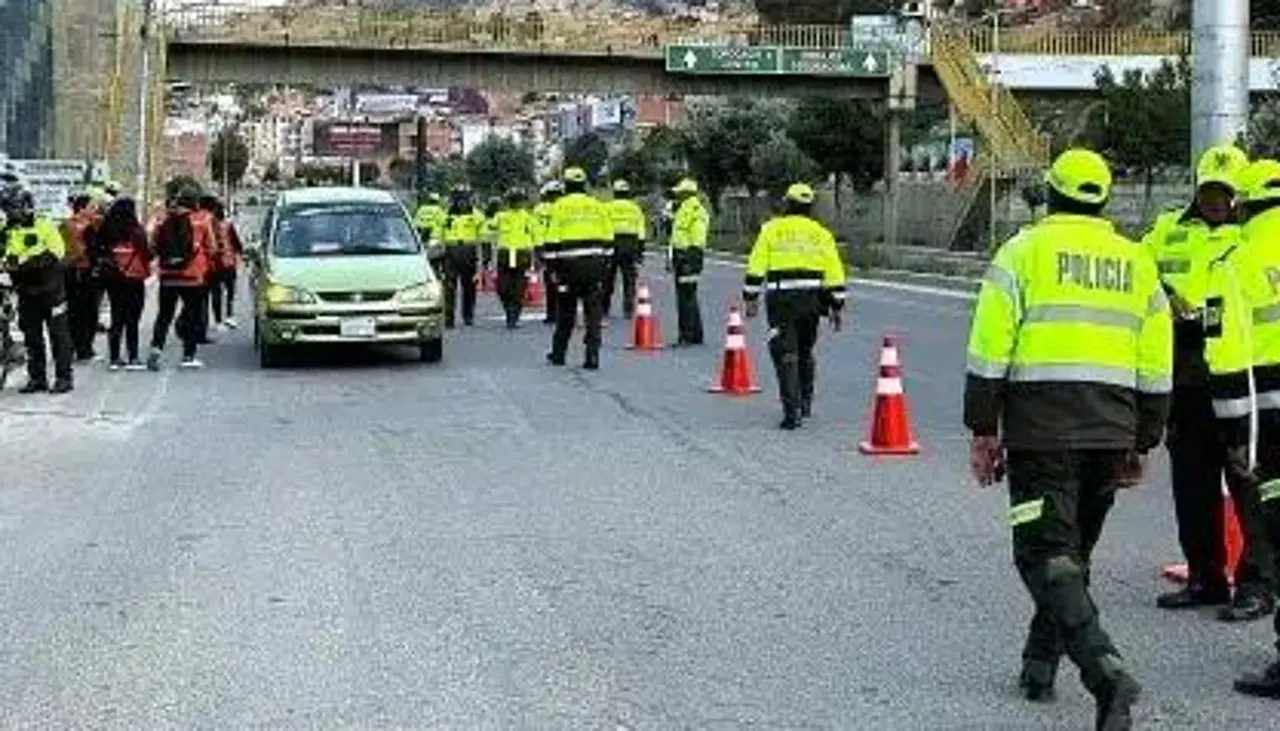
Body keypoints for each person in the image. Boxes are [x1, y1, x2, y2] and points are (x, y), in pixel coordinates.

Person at [964, 148, 1172, 728]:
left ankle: (1106, 672)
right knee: (1071, 553)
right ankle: (1039, 664)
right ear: (1103, 200)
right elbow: (1157, 363)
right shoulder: (1136, 262)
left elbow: (989, 348)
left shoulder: (1022, 252)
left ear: (1049, 194)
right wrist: (1145, 439)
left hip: (1041, 431)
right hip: (1110, 431)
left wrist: (984, 429)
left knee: (1042, 553)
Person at [1145, 144, 1275, 620]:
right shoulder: (1167, 230)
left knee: (1251, 483)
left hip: (1243, 381)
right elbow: (1140, 272)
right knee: (1192, 485)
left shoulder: (1256, 237)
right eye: (1208, 191)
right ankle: (1205, 577)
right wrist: (1166, 295)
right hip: (1189, 377)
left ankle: (1257, 583)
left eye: (1225, 193)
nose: (1215, 201)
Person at [1202, 159, 1280, 698]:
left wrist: (1236, 442)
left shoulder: (1232, 259)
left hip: (1270, 424)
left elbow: (1223, 354)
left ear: (1242, 204)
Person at [742, 183, 845, 430]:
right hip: (812, 301)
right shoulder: (821, 234)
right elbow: (834, 272)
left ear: (787, 203)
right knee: (805, 350)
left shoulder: (771, 230)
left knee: (785, 352)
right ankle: (805, 403)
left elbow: (756, 266)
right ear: (810, 207)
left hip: (782, 301)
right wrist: (837, 305)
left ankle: (792, 411)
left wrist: (750, 297)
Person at [2, 186, 74, 393]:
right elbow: (5, 255)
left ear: (26, 206)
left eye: (14, 208)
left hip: (50, 290)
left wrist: (22, 262)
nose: (11, 213)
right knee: (31, 337)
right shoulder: (7, 229)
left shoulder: (44, 225)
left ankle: (64, 377)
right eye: (7, 209)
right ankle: (37, 378)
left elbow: (55, 252)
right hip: (25, 291)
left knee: (58, 335)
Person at [544, 166, 613, 370]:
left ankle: (559, 354)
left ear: (566, 185)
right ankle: (592, 355)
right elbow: (609, 241)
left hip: (569, 267)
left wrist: (552, 270)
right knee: (594, 312)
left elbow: (551, 242)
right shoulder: (598, 206)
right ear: (584, 185)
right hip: (594, 266)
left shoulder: (559, 206)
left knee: (566, 310)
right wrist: (604, 268)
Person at [147, 183, 215, 370]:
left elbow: (153, 246)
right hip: (193, 277)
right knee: (192, 316)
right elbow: (213, 247)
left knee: (164, 315)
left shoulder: (163, 220)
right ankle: (188, 355)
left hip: (168, 276)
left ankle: (156, 348)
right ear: (195, 202)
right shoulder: (202, 220)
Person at [93, 196, 151, 369]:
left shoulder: (106, 230)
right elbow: (147, 254)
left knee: (116, 316)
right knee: (132, 318)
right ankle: (133, 357)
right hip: (134, 278)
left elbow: (97, 251)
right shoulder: (137, 231)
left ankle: (114, 358)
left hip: (113, 278)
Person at [61, 191, 103, 361]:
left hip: (76, 272)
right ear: (82, 208)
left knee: (78, 312)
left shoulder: (68, 224)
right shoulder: (82, 226)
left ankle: (76, 347)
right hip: (81, 272)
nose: (95, 210)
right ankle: (82, 349)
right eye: (92, 207)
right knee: (85, 312)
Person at [669, 177, 709, 346]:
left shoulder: (694, 210)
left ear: (686, 193)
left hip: (689, 256)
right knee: (688, 295)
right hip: (684, 255)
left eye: (679, 192)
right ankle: (695, 334)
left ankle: (688, 335)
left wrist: (688, 259)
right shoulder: (685, 209)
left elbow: (697, 238)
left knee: (686, 297)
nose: (676, 195)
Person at [603, 179, 648, 320]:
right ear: (628, 193)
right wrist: (640, 251)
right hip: (630, 244)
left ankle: (604, 309)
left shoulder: (607, 207)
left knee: (607, 278)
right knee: (629, 279)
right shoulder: (635, 208)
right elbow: (641, 231)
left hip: (611, 243)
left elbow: (602, 228)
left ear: (614, 193)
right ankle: (628, 310)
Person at [441, 185, 484, 328]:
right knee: (449, 288)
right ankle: (449, 318)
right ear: (454, 199)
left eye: (464, 198)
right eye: (458, 198)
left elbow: (483, 237)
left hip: (469, 251)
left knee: (469, 287)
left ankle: (468, 315)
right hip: (451, 252)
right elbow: (440, 235)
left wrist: (483, 258)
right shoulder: (446, 215)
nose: (462, 202)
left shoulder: (476, 216)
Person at [493, 189, 538, 328]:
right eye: (513, 200)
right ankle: (508, 309)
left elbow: (537, 235)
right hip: (505, 254)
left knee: (519, 287)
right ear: (508, 202)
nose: (516, 203)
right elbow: (489, 228)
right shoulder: (501, 216)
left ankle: (513, 317)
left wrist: (537, 255)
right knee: (502, 287)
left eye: (518, 200)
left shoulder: (528, 217)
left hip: (522, 254)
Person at [208, 198, 243, 331]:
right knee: (230, 291)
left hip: (215, 264)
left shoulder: (209, 224)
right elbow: (237, 243)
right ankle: (229, 316)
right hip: (229, 263)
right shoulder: (228, 225)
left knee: (216, 292)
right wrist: (241, 253)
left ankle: (218, 321)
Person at [534, 181, 563, 325]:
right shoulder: (565, 207)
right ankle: (563, 312)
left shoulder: (539, 209)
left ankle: (552, 314)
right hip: (563, 246)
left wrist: (537, 251)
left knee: (550, 281)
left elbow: (536, 230)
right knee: (565, 280)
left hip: (546, 247)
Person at [413, 192, 447, 277]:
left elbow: (415, 222)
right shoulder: (439, 210)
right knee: (440, 257)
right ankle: (440, 272)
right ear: (437, 201)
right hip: (435, 237)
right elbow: (445, 222)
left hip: (421, 238)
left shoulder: (421, 209)